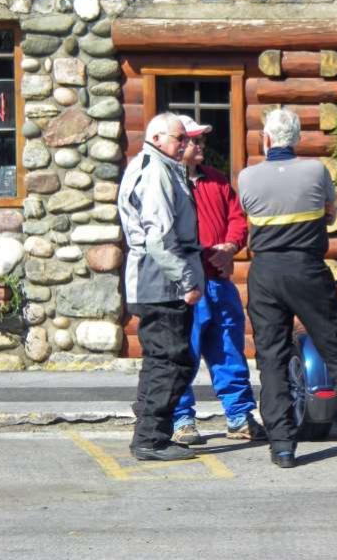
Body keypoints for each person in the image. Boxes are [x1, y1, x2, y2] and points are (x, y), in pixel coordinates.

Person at [238, 108, 337, 468]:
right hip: (307, 266)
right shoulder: (315, 170)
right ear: (297, 139)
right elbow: (330, 214)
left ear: (266, 139)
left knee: (272, 357)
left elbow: (249, 211)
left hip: (266, 270)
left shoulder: (247, 176)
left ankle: (282, 446)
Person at [170, 115, 265, 445]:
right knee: (183, 353)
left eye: (201, 140)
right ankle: (182, 419)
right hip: (184, 285)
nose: (200, 146)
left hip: (218, 282)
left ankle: (238, 416)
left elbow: (238, 219)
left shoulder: (217, 180)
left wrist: (230, 247)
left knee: (228, 350)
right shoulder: (167, 183)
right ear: (179, 144)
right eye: (194, 140)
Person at [117, 113, 204, 462]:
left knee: (161, 360)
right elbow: (159, 237)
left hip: (153, 279)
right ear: (156, 138)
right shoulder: (155, 171)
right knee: (171, 360)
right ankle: (151, 438)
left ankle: (150, 431)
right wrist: (186, 279)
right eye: (179, 138)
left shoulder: (157, 166)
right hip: (161, 281)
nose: (185, 144)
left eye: (187, 139)